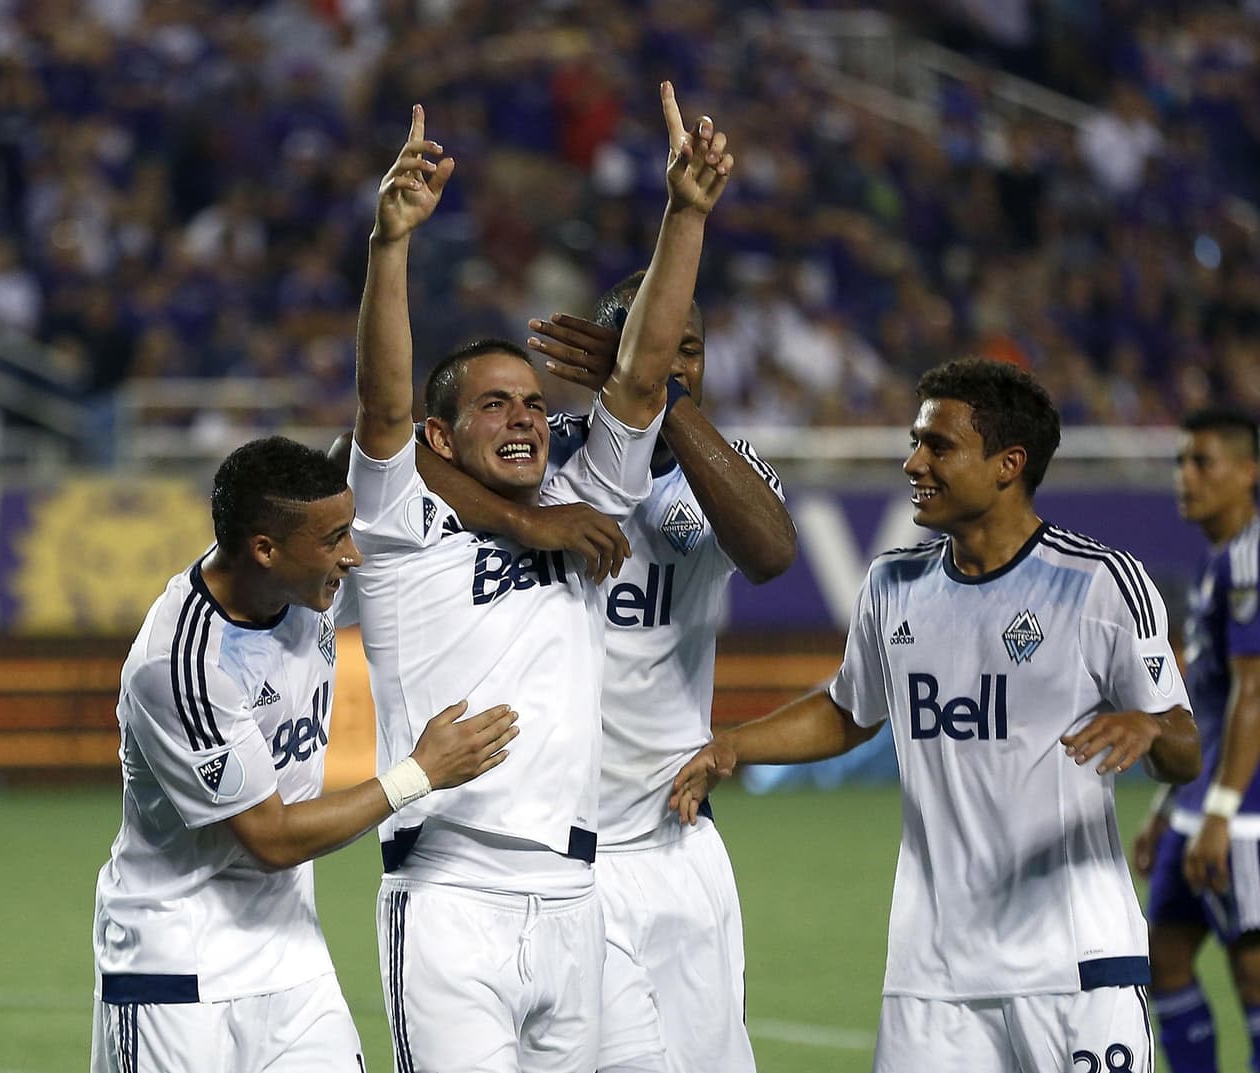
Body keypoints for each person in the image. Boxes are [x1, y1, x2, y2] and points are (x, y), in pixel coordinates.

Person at [345, 86, 732, 1073]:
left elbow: (641, 378)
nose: (522, 416)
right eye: (491, 406)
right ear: (440, 435)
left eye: (529, 400)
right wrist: (389, 247)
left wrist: (682, 214)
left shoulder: (587, 494)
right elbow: (382, 404)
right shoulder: (399, 519)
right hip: (449, 896)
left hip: (577, 893)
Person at [672, 357, 1202, 1073]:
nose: (912, 461)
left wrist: (1150, 726)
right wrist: (734, 745)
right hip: (931, 977)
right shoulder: (895, 582)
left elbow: (1184, 747)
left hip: (1073, 962)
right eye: (916, 441)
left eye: (938, 446)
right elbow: (847, 709)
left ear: (1008, 463)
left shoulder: (1101, 583)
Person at [417, 274, 797, 1073]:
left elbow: (772, 554)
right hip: (559, 853)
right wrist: (524, 517)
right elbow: (407, 463)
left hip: (672, 840)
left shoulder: (729, 472)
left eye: (687, 348)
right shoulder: (544, 454)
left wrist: (664, 396)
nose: (674, 360)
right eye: (651, 346)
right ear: (603, 354)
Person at [90, 435, 518, 1073]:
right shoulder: (182, 663)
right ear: (264, 550)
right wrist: (419, 773)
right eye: (333, 540)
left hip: (292, 958)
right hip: (177, 970)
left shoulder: (299, 588)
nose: (353, 555)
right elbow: (272, 839)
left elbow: (368, 438)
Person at [1133, 408, 1260, 1073]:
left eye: (1202, 462)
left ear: (1249, 472)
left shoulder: (1252, 558)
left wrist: (1219, 812)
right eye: (1179, 462)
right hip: (1201, 805)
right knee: (1166, 953)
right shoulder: (1220, 561)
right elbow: (1208, 705)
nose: (1185, 476)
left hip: (1242, 814)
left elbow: (1254, 693)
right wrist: (1166, 807)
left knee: (1253, 970)